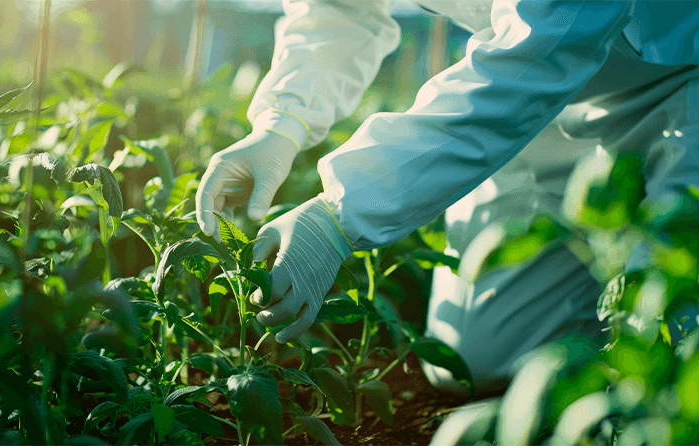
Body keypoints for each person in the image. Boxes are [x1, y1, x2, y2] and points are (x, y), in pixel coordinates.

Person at [195, 0, 699, 394]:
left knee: (667, 349)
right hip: (543, 105)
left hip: (678, 86)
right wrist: (283, 121)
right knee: (477, 359)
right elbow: (339, 9)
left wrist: (338, 216)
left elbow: (544, 47)